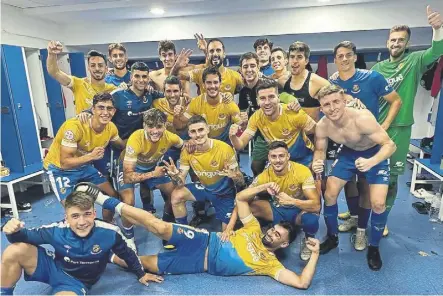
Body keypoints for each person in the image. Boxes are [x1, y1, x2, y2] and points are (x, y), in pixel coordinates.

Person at [73, 180, 321, 290]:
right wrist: (262, 187)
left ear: (285, 243)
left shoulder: (270, 264)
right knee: (159, 226)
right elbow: (241, 198)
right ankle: (105, 200)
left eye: (278, 236)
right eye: (274, 230)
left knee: (142, 264)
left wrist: (315, 254)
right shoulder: (254, 228)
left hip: (195, 264)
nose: (272, 234)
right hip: (202, 239)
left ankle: (106, 255)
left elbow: (302, 283)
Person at [367, 5, 443, 236]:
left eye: (400, 40)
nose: (395, 44)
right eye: (392, 40)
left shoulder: (415, 61)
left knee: (390, 179)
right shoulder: (378, 67)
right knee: (365, 174)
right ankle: (358, 214)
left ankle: (381, 218)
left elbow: (436, 50)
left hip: (399, 129)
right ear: (387, 42)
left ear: (407, 43)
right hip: (374, 128)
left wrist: (437, 30)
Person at [0, 191, 158, 296]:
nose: (82, 222)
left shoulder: (110, 232)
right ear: (66, 217)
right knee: (14, 250)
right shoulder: (56, 230)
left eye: (87, 214)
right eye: (75, 216)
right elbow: (23, 237)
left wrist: (141, 273)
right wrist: (12, 231)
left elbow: (127, 253)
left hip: (75, 282)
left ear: (94, 213)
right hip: (53, 268)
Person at [312, 85, 396, 270]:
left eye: (336, 102)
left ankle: (373, 247)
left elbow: (390, 145)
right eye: (327, 104)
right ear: (321, 107)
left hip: (375, 153)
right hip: (348, 154)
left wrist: (371, 161)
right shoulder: (323, 125)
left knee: (378, 204)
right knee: (330, 193)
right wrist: (317, 162)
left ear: (344, 101)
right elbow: (320, 151)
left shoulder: (362, 118)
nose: (332, 108)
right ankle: (332, 237)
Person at [328, 41, 402, 250]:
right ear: (335, 60)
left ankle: (362, 228)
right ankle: (353, 218)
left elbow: (396, 100)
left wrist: (385, 124)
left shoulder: (371, 77)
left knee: (365, 187)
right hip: (347, 145)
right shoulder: (333, 82)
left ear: (354, 57)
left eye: (348, 55)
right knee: (347, 183)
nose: (344, 59)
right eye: (340, 56)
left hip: (371, 144)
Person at [43, 93, 124, 221]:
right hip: (59, 169)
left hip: (82, 166)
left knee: (112, 195)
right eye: (101, 108)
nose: (105, 112)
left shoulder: (111, 128)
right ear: (93, 110)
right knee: (74, 210)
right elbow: (64, 162)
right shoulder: (75, 127)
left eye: (109, 108)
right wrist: (91, 156)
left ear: (114, 111)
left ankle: (107, 225)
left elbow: (121, 144)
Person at [160, 115, 245, 235]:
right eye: (193, 131)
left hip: (224, 194)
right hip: (205, 188)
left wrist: (235, 176)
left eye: (201, 130)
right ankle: (185, 233)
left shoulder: (224, 149)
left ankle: (235, 218)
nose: (198, 135)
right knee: (176, 194)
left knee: (226, 236)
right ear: (189, 133)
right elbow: (180, 183)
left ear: (207, 129)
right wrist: (175, 176)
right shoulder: (187, 151)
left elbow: (241, 182)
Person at [241, 141, 320, 261]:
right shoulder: (265, 175)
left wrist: (292, 201)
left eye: (281, 156)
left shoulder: (302, 171)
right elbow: (242, 198)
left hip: (298, 212)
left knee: (311, 218)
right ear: (269, 158)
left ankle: (309, 240)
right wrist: (262, 188)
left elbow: (316, 206)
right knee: (248, 206)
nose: (277, 160)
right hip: (276, 209)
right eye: (274, 156)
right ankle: (256, 231)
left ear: (288, 156)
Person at [116, 109, 184, 249]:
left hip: (152, 167)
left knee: (175, 193)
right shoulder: (136, 139)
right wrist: (153, 174)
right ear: (144, 126)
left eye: (159, 126)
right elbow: (128, 177)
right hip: (129, 169)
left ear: (165, 126)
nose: (154, 131)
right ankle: (128, 237)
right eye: (150, 126)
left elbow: (185, 146)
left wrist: (181, 168)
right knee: (128, 201)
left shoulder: (170, 137)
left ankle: (166, 228)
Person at [230, 79, 315, 167]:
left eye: (271, 97)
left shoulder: (294, 113)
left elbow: (317, 132)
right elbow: (240, 145)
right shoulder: (256, 117)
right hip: (280, 163)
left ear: (278, 98)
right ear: (257, 101)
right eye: (262, 98)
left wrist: (317, 158)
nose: (267, 102)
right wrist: (233, 137)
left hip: (304, 161)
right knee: (257, 171)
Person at [174, 67, 243, 144]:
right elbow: (179, 127)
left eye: (215, 82)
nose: (212, 86)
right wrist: (177, 116)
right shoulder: (196, 103)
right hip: (202, 142)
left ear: (220, 84)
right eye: (209, 83)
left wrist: (243, 124)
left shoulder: (229, 103)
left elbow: (241, 130)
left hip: (224, 143)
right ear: (203, 85)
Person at [46, 41, 117, 115]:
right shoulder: (79, 84)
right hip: (82, 126)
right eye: (93, 65)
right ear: (88, 68)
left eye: (100, 65)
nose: (97, 69)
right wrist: (51, 54)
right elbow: (55, 72)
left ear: (106, 69)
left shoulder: (112, 90)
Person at [237, 52, 272, 176]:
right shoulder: (243, 91)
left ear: (258, 67)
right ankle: (261, 193)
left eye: (252, 66)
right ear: (241, 70)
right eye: (245, 66)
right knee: (255, 167)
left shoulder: (269, 85)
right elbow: (242, 117)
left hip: (278, 132)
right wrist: (242, 120)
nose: (249, 69)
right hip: (260, 135)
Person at [172, 38, 243, 95]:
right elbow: (172, 77)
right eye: (211, 51)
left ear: (224, 54)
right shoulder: (200, 73)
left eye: (218, 50)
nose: (215, 54)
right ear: (208, 55)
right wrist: (176, 66)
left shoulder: (235, 76)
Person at [281, 42, 330, 121]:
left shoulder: (317, 82)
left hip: (310, 132)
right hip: (290, 132)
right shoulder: (282, 81)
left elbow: (337, 98)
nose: (294, 61)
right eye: (292, 57)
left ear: (306, 61)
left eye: (299, 57)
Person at [153, 75, 191, 164]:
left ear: (181, 91)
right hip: (168, 146)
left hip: (187, 144)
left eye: (175, 91)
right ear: (164, 92)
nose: (172, 95)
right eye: (169, 91)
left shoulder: (190, 104)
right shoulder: (156, 103)